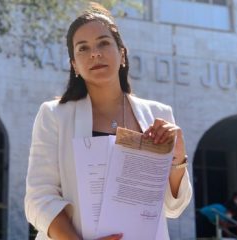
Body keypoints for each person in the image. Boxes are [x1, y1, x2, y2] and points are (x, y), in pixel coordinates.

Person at [25, 2, 192, 240]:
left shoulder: (158, 114)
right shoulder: (54, 116)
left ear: (122, 53)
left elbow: (173, 208)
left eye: (103, 43)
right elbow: (38, 199)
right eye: (83, 48)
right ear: (74, 65)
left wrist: (177, 160)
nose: (95, 53)